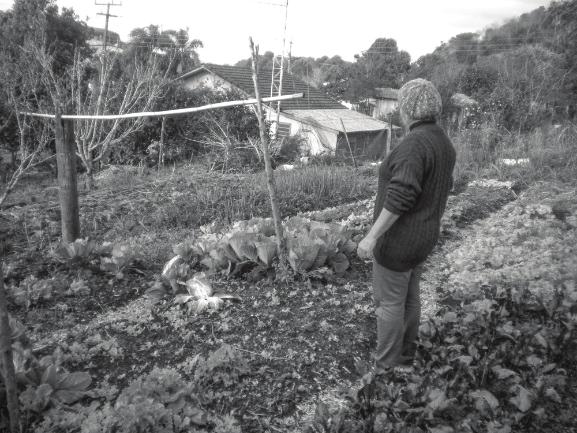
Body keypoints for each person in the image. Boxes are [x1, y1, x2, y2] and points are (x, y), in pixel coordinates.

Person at [357, 78, 456, 368]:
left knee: (388, 304)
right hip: (423, 237)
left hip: (398, 242)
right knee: (410, 298)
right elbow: (443, 185)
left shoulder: (414, 145)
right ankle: (405, 356)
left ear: (408, 110)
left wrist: (371, 237)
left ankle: (385, 366)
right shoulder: (442, 141)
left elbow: (401, 195)